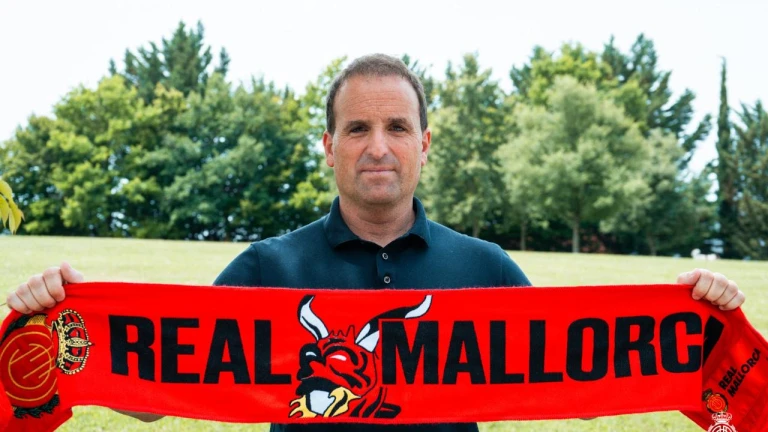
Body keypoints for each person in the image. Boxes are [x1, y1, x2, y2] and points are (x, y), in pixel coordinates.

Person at [7, 54, 746, 432]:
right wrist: (60, 322)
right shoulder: (267, 267)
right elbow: (158, 391)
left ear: (425, 143)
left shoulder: (484, 266)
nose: (378, 146)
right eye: (357, 128)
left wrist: (694, 319)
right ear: (329, 145)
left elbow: (582, 385)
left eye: (397, 127)